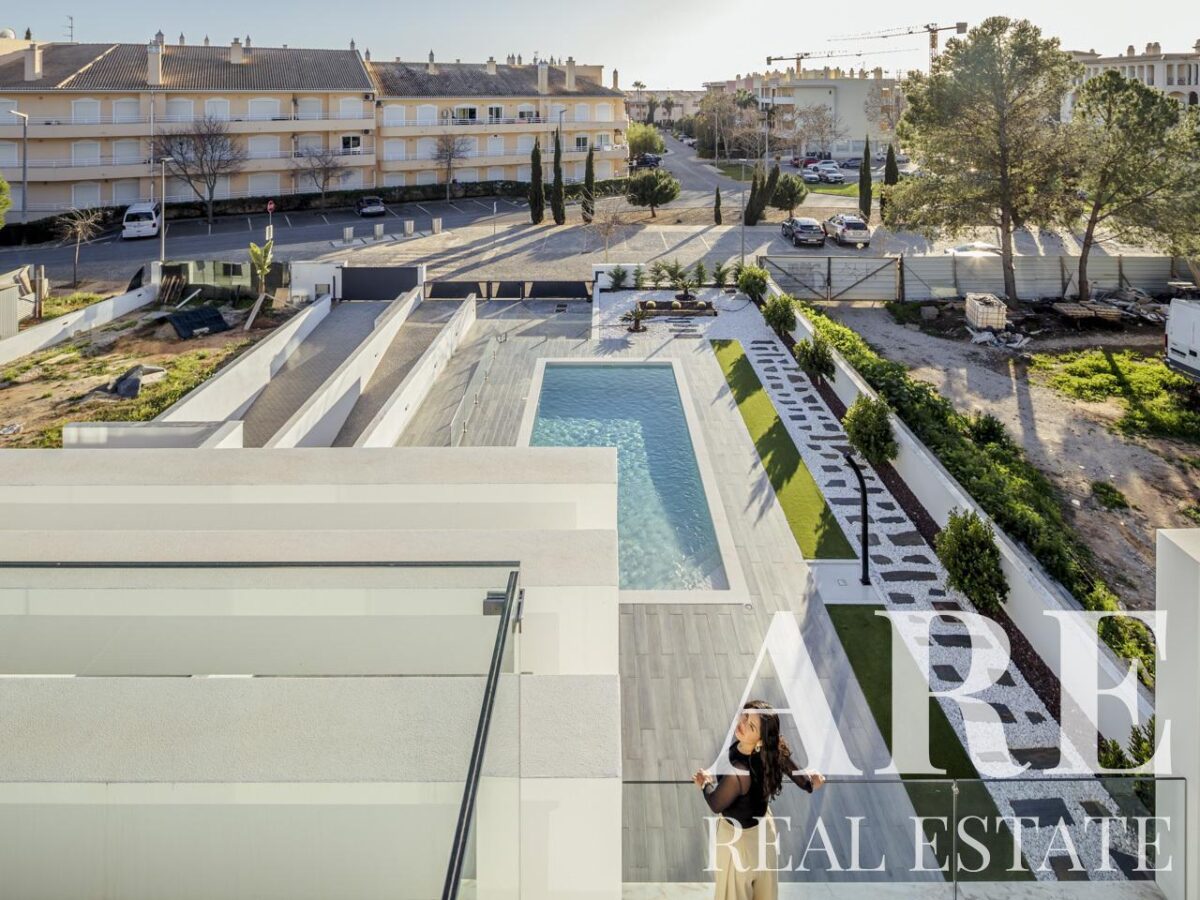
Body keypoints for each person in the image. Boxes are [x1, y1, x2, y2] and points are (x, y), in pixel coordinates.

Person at [693, 700, 825, 900]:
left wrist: (705, 783)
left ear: (760, 739)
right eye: (745, 716)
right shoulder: (773, 750)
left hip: (737, 845)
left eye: (751, 726)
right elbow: (805, 782)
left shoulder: (739, 771)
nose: (743, 724)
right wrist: (813, 782)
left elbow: (715, 803)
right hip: (765, 835)